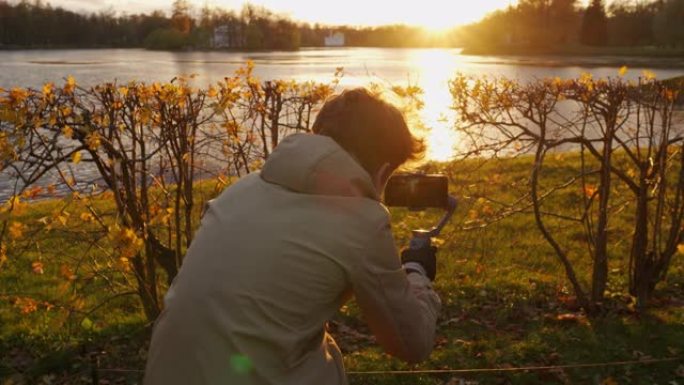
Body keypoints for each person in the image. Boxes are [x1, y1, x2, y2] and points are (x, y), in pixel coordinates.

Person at [144, 88, 442, 385]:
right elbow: (410, 342)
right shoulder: (361, 221)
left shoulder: (241, 190)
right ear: (384, 169)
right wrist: (417, 274)